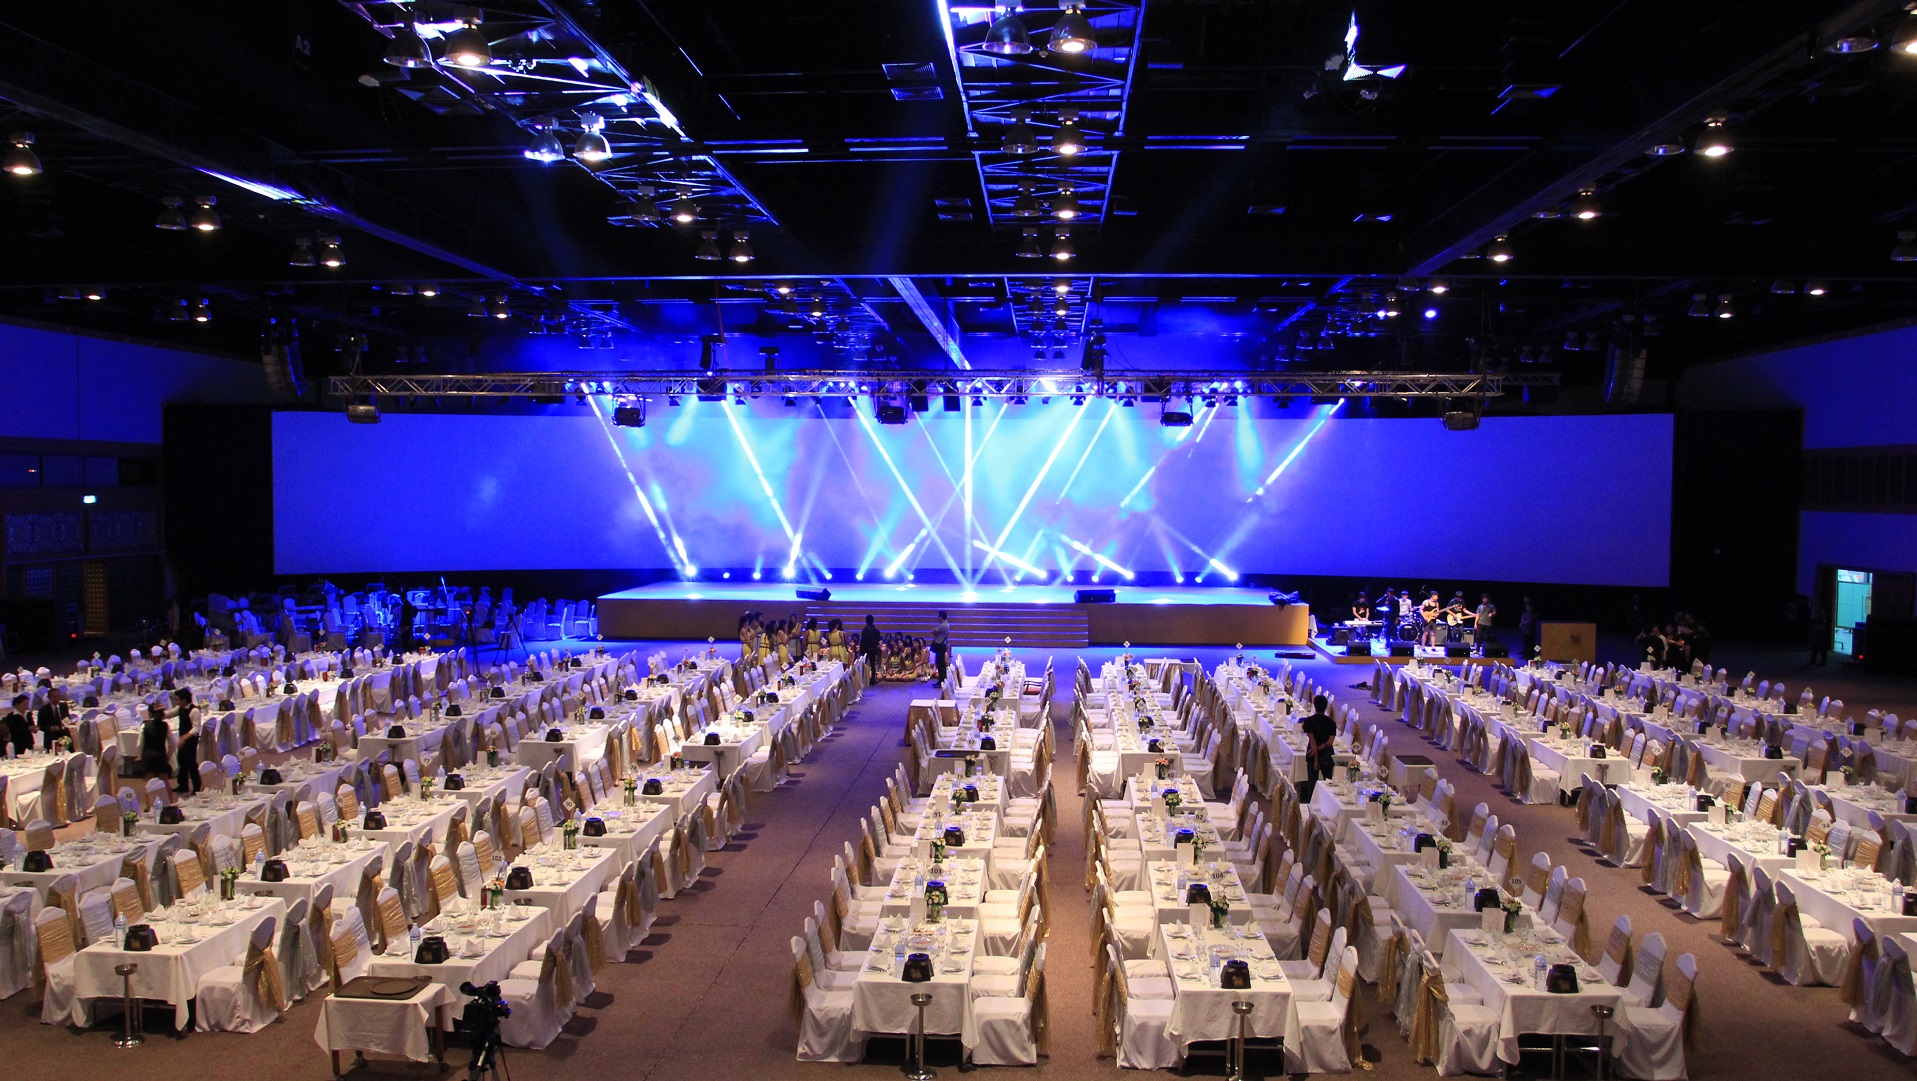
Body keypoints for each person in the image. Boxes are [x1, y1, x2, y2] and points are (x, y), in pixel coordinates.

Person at [1300, 694, 1338, 800]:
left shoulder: (1308, 721)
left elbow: (1313, 742)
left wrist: (1316, 758)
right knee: (1328, 783)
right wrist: (1320, 748)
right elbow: (1330, 742)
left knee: (1312, 784)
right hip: (1327, 755)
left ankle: (1311, 804)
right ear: (1326, 707)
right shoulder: (1331, 723)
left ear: (1314, 706)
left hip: (1312, 755)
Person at [173, 687, 202, 795]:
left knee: (191, 763)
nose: (176, 702)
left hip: (191, 740)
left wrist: (184, 737)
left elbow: (196, 728)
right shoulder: (180, 708)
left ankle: (197, 787)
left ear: (184, 700)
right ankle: (183, 785)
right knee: (182, 762)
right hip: (183, 739)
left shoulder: (194, 710)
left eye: (177, 699)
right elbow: (169, 714)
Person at [140, 703, 173, 781]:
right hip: (161, 755)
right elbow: (173, 743)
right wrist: (169, 755)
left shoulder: (144, 726)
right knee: (164, 781)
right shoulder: (165, 725)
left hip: (148, 756)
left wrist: (141, 755)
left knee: (150, 782)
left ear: (150, 713)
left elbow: (140, 744)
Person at [931, 611, 951, 686]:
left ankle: (941, 681)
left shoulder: (943, 625)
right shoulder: (945, 624)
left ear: (941, 617)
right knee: (940, 664)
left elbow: (933, 631)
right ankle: (941, 681)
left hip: (940, 646)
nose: (937, 617)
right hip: (942, 646)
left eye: (938, 616)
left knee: (941, 664)